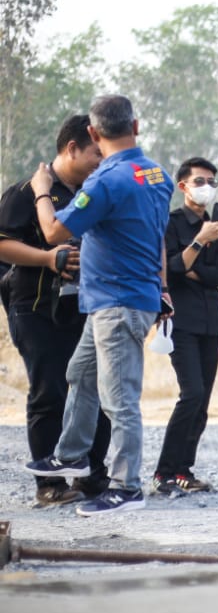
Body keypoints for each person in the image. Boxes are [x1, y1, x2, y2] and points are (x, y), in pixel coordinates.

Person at [22, 95, 173, 516]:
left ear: (92, 133)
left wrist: (42, 192)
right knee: (80, 373)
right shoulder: (155, 173)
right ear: (136, 126)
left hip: (118, 302)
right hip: (120, 297)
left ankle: (127, 486)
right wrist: (162, 287)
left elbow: (54, 232)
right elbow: (155, 234)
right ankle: (71, 452)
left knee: (119, 397)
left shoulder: (106, 183)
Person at [0, 113, 111, 508]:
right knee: (50, 391)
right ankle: (49, 484)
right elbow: (3, 243)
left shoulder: (94, 193)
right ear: (71, 148)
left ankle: (93, 477)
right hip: (35, 308)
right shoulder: (27, 192)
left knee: (95, 392)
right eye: (97, 152)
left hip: (86, 309)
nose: (102, 160)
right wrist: (48, 259)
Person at [153, 157, 218, 495]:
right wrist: (199, 242)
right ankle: (164, 472)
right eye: (200, 181)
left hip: (212, 321)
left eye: (212, 182)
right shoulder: (169, 224)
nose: (207, 188)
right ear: (183, 185)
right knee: (192, 394)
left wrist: (190, 268)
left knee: (202, 402)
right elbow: (168, 268)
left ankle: (183, 470)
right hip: (180, 319)